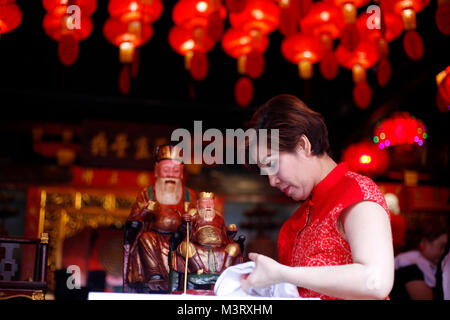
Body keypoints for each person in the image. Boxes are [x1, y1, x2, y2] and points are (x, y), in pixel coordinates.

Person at [240, 94, 394, 300]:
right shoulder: (299, 219)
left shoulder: (356, 192)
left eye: (272, 164)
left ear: (302, 145)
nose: (272, 181)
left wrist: (281, 274)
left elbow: (376, 281)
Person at [123, 144, 197, 293]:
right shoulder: (147, 193)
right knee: (145, 239)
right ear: (157, 170)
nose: (170, 175)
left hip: (180, 238)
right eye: (166, 170)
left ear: (181, 173)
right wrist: (145, 213)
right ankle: (154, 275)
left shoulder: (189, 195)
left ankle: (183, 281)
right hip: (153, 238)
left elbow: (197, 221)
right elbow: (133, 221)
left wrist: (189, 221)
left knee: (189, 246)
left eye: (175, 171)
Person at [390, 218, 448, 300]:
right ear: (423, 242)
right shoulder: (411, 268)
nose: (443, 251)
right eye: (441, 246)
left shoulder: (423, 265)